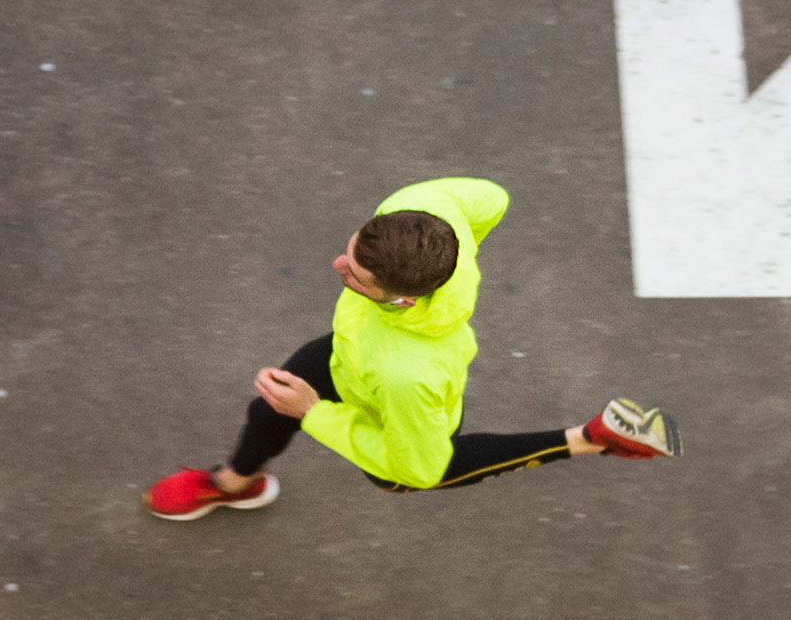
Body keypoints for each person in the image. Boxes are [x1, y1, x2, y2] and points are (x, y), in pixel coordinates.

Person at [143, 176, 676, 519]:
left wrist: (313, 413)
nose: (337, 266)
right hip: (348, 355)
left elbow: (415, 469)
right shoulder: (419, 211)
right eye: (351, 249)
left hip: (396, 402)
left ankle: (589, 438)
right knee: (266, 411)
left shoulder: (409, 375)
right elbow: (493, 199)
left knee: (425, 465)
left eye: (354, 274)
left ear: (399, 301)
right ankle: (234, 484)